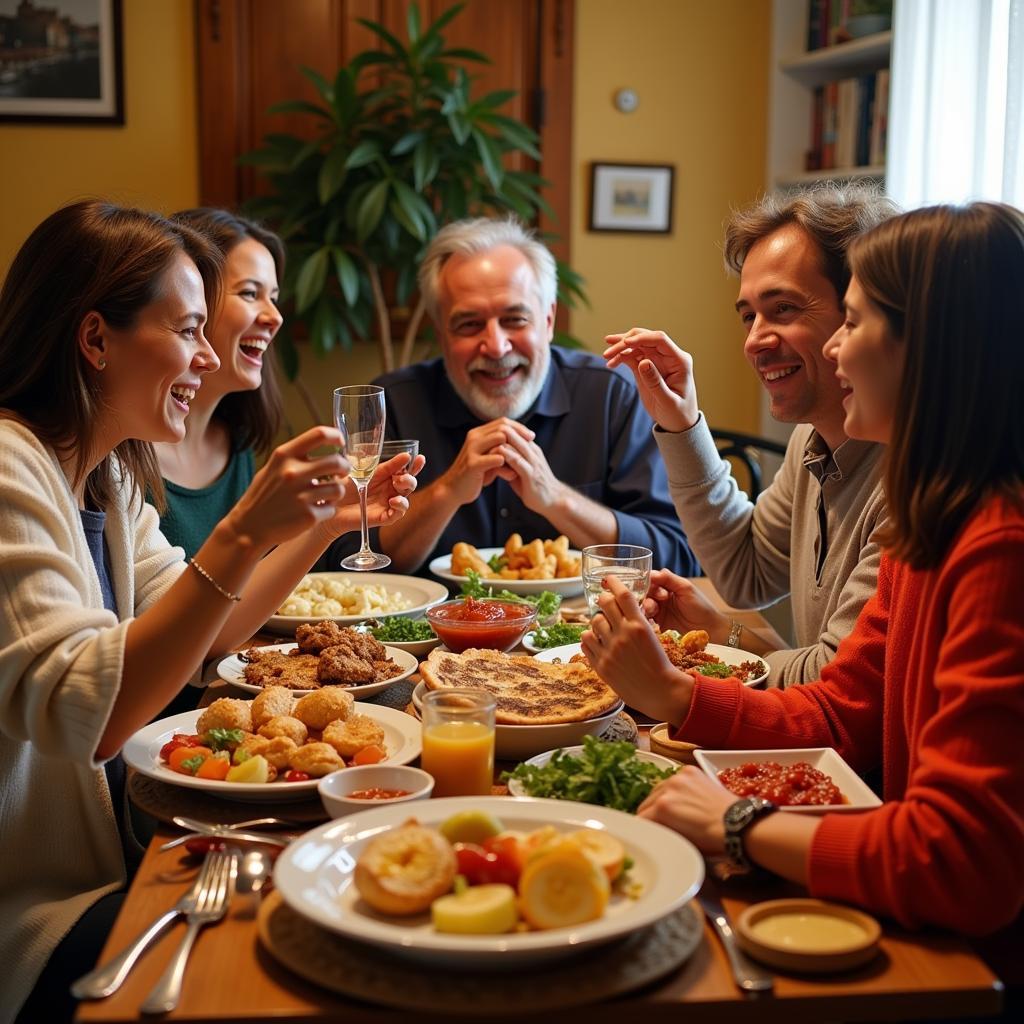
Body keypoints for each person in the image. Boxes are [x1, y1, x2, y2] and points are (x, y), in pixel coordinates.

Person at [0, 200, 420, 1024]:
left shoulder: (108, 478)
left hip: (124, 851)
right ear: (94, 341)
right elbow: (100, 712)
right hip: (37, 908)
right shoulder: (10, 469)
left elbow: (210, 636)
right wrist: (238, 531)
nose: (206, 355)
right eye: (189, 329)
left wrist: (321, 524)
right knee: (301, 954)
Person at [583, 201, 1024, 937]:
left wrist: (738, 821)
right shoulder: (935, 515)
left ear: (932, 346)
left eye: (853, 323)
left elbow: (962, 864)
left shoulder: (997, 545)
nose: (838, 353)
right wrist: (674, 692)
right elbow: (841, 712)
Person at [604, 184, 897, 685]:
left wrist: (679, 683)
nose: (755, 340)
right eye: (748, 315)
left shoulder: (914, 477)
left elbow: (836, 679)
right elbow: (747, 572)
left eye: (783, 308)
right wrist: (682, 423)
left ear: (862, 311)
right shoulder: (814, 439)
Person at [320, 217, 699, 577]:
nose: (497, 346)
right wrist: (447, 492)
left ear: (548, 321)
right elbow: (341, 561)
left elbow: (680, 559)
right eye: (469, 324)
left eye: (515, 319)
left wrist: (556, 499)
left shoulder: (610, 396)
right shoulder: (396, 404)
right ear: (441, 333)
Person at [154, 208, 285, 560]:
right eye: (249, 293)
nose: (275, 317)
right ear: (190, 297)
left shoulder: (237, 447)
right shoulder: (122, 453)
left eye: (273, 297)